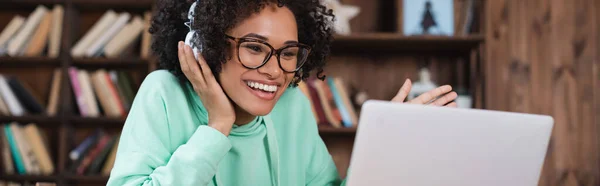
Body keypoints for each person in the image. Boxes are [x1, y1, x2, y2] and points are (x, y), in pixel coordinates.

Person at [106, 0, 458, 185]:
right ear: (206, 46)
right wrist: (218, 127)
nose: (275, 70)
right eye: (255, 48)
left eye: (288, 53)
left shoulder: (293, 107)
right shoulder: (164, 93)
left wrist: (385, 149)